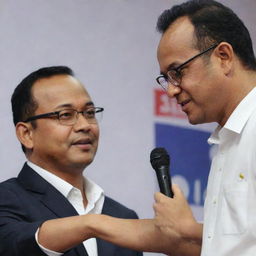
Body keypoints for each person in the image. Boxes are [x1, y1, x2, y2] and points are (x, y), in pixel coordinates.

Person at [51, 1, 256, 256]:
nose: (171, 90)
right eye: (166, 78)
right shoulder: (228, 139)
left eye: (178, 72)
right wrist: (190, 230)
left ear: (223, 57)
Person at [0, 66, 143, 256]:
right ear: (26, 134)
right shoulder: (6, 199)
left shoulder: (123, 217)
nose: (85, 126)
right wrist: (92, 224)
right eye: (65, 115)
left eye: (90, 113)